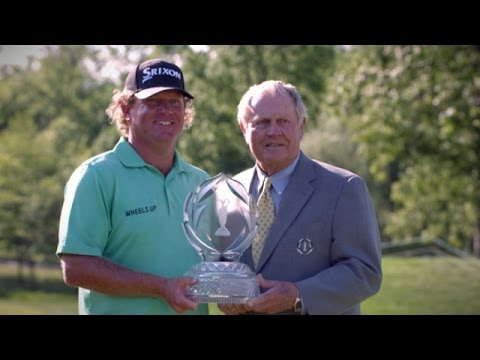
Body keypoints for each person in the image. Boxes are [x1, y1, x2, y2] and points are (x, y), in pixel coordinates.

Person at [57, 58, 210, 315]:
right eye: (153, 102)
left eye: (175, 102)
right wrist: (161, 287)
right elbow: (75, 268)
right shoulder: (95, 176)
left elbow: (219, 257)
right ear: (126, 109)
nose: (167, 110)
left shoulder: (201, 182)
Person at [220, 80, 382, 315]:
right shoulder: (228, 191)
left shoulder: (343, 188)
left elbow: (364, 272)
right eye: (262, 122)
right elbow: (222, 263)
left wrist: (297, 295)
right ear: (244, 129)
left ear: (301, 126)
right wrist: (225, 290)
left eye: (283, 121)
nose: (273, 131)